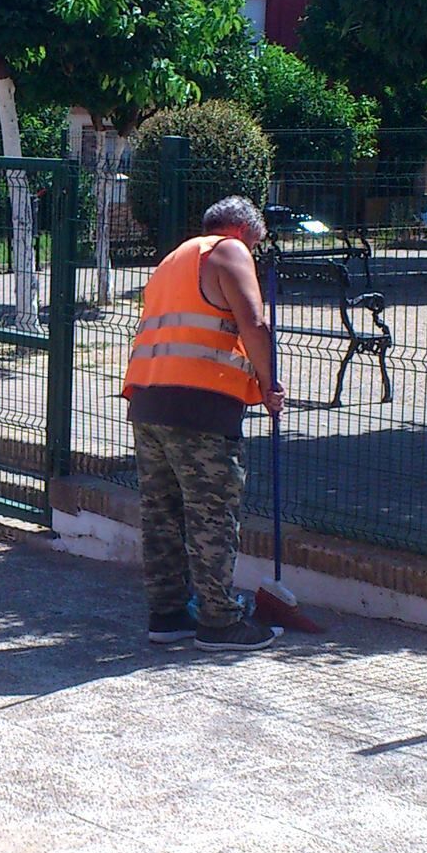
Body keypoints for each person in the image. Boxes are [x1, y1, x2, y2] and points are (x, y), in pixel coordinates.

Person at [122, 196, 285, 652]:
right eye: (256, 244)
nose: (254, 254)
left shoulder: (173, 260)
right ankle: (219, 621)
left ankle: (168, 614)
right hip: (201, 407)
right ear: (243, 231)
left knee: (162, 515)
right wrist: (269, 384)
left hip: (149, 403)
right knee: (211, 515)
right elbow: (253, 324)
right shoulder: (228, 251)